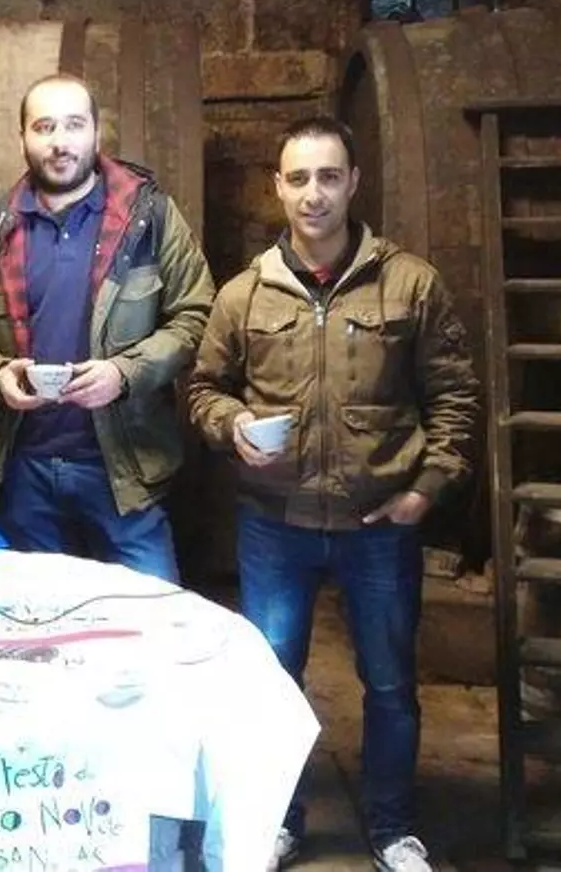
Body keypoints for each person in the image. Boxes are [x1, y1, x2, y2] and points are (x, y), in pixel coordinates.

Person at [186, 116, 481, 872]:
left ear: (353, 182)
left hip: (379, 521)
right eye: (298, 179)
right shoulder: (244, 294)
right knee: (271, 683)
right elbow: (205, 389)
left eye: (327, 176)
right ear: (277, 188)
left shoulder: (410, 284)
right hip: (275, 523)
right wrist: (232, 425)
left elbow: (454, 396)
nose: (312, 194)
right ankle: (278, 821)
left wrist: (426, 489)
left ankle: (392, 828)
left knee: (389, 684)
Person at [0, 73, 215, 582]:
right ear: (22, 138)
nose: (60, 142)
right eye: (44, 127)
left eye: (73, 125)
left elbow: (196, 314)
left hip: (123, 472)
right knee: (33, 616)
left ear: (96, 132)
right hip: (23, 472)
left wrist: (125, 373)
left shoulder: (149, 218)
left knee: (154, 614)